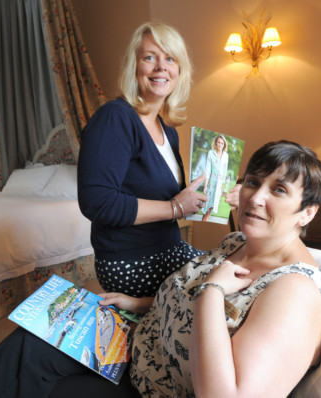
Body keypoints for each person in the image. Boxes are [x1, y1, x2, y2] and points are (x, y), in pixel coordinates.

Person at [0, 140, 321, 398]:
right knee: (31, 341)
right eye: (253, 182)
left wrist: (211, 294)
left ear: (308, 212)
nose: (256, 197)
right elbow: (191, 300)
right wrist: (141, 303)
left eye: (279, 190)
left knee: (42, 385)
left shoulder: (294, 292)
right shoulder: (239, 243)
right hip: (137, 344)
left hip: (151, 390)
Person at [78, 21, 235, 301]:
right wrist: (174, 208)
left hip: (168, 249)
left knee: (239, 269)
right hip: (130, 261)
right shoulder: (115, 118)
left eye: (170, 59)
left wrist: (220, 196)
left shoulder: (168, 131)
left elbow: (177, 201)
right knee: (223, 294)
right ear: (134, 67)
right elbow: (97, 202)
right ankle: (145, 307)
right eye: (149, 57)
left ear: (179, 71)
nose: (161, 67)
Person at [201, 134, 229, 222]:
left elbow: (224, 172)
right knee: (206, 207)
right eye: (219, 143)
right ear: (216, 143)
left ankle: (204, 221)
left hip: (219, 183)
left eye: (222, 143)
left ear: (224, 145)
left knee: (211, 207)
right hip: (211, 183)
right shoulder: (211, 153)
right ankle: (203, 221)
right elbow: (208, 170)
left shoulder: (226, 156)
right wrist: (205, 185)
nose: (220, 145)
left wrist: (222, 187)